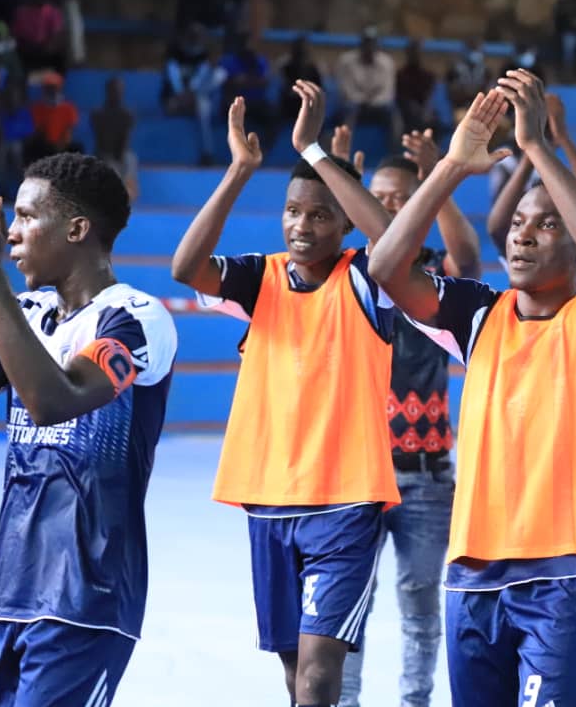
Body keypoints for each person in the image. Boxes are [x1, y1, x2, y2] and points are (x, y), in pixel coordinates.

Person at [368, 71, 576, 707]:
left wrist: (536, 144)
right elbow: (385, 267)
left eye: (547, 225)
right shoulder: (478, 315)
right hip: (473, 570)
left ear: (575, 246)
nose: (522, 234)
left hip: (567, 570)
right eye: (519, 222)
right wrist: (450, 168)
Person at [170, 81, 399, 706]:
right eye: (293, 211)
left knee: (320, 675)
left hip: (346, 500)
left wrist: (315, 150)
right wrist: (239, 171)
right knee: (295, 671)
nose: (301, 225)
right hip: (268, 499)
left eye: (320, 214)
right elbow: (186, 268)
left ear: (345, 223)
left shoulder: (365, 279)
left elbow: (392, 241)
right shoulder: (260, 276)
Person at [0, 154, 177, 705]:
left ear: (76, 229)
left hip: (89, 597)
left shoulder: (136, 318)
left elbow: (53, 400)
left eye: (25, 217)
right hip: (12, 591)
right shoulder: (29, 313)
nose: (10, 233)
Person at [337, 130, 480, 707]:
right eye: (379, 196)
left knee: (421, 604)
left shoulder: (435, 278)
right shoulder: (347, 274)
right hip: (356, 472)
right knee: (348, 606)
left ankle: (415, 701)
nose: (390, 206)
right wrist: (338, 177)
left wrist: (439, 181)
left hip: (427, 476)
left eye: (402, 197)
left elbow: (469, 258)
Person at [487, 91, 576, 258]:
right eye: (519, 223)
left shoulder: (571, 250)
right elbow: (498, 227)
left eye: (548, 224)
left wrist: (562, 137)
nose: (526, 232)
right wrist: (533, 143)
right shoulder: (506, 160)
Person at [161, 22, 227, 165]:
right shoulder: (174, 58)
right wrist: (181, 95)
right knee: (197, 103)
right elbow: (172, 81)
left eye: (198, 36)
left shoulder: (204, 58)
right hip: (175, 101)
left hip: (196, 100)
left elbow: (205, 81)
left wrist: (191, 93)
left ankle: (207, 154)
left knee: (205, 102)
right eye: (192, 36)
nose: (195, 39)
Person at [336, 27, 399, 150]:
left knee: (394, 116)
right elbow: (346, 89)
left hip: (379, 106)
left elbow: (387, 92)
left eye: (372, 43)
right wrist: (362, 100)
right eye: (367, 42)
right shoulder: (347, 62)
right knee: (348, 113)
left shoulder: (387, 63)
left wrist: (373, 102)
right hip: (355, 105)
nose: (369, 46)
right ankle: (342, 150)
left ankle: (394, 152)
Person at [90, 76, 139, 202]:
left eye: (119, 90)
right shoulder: (98, 114)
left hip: (121, 155)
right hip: (105, 154)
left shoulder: (127, 115)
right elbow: (101, 142)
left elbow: (125, 140)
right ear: (108, 91)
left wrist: (120, 157)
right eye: (114, 90)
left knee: (130, 159)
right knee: (110, 165)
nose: (117, 93)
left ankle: (126, 193)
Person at [25, 71, 81, 163]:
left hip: (62, 146)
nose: (51, 91)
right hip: (44, 146)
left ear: (59, 88)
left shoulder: (69, 108)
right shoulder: (37, 108)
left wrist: (60, 146)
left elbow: (68, 131)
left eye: (54, 88)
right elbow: (38, 131)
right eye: (48, 88)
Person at [277, 35, 324, 122]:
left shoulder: (312, 68)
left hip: (309, 100)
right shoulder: (286, 65)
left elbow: (319, 86)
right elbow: (285, 85)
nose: (303, 51)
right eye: (301, 48)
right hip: (291, 100)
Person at [395, 39, 437, 133]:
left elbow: (429, 97)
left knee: (432, 118)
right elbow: (401, 98)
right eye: (413, 52)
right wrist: (414, 108)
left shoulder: (428, 75)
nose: (415, 55)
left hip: (424, 111)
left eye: (417, 52)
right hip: (406, 113)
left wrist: (425, 110)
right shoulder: (401, 75)